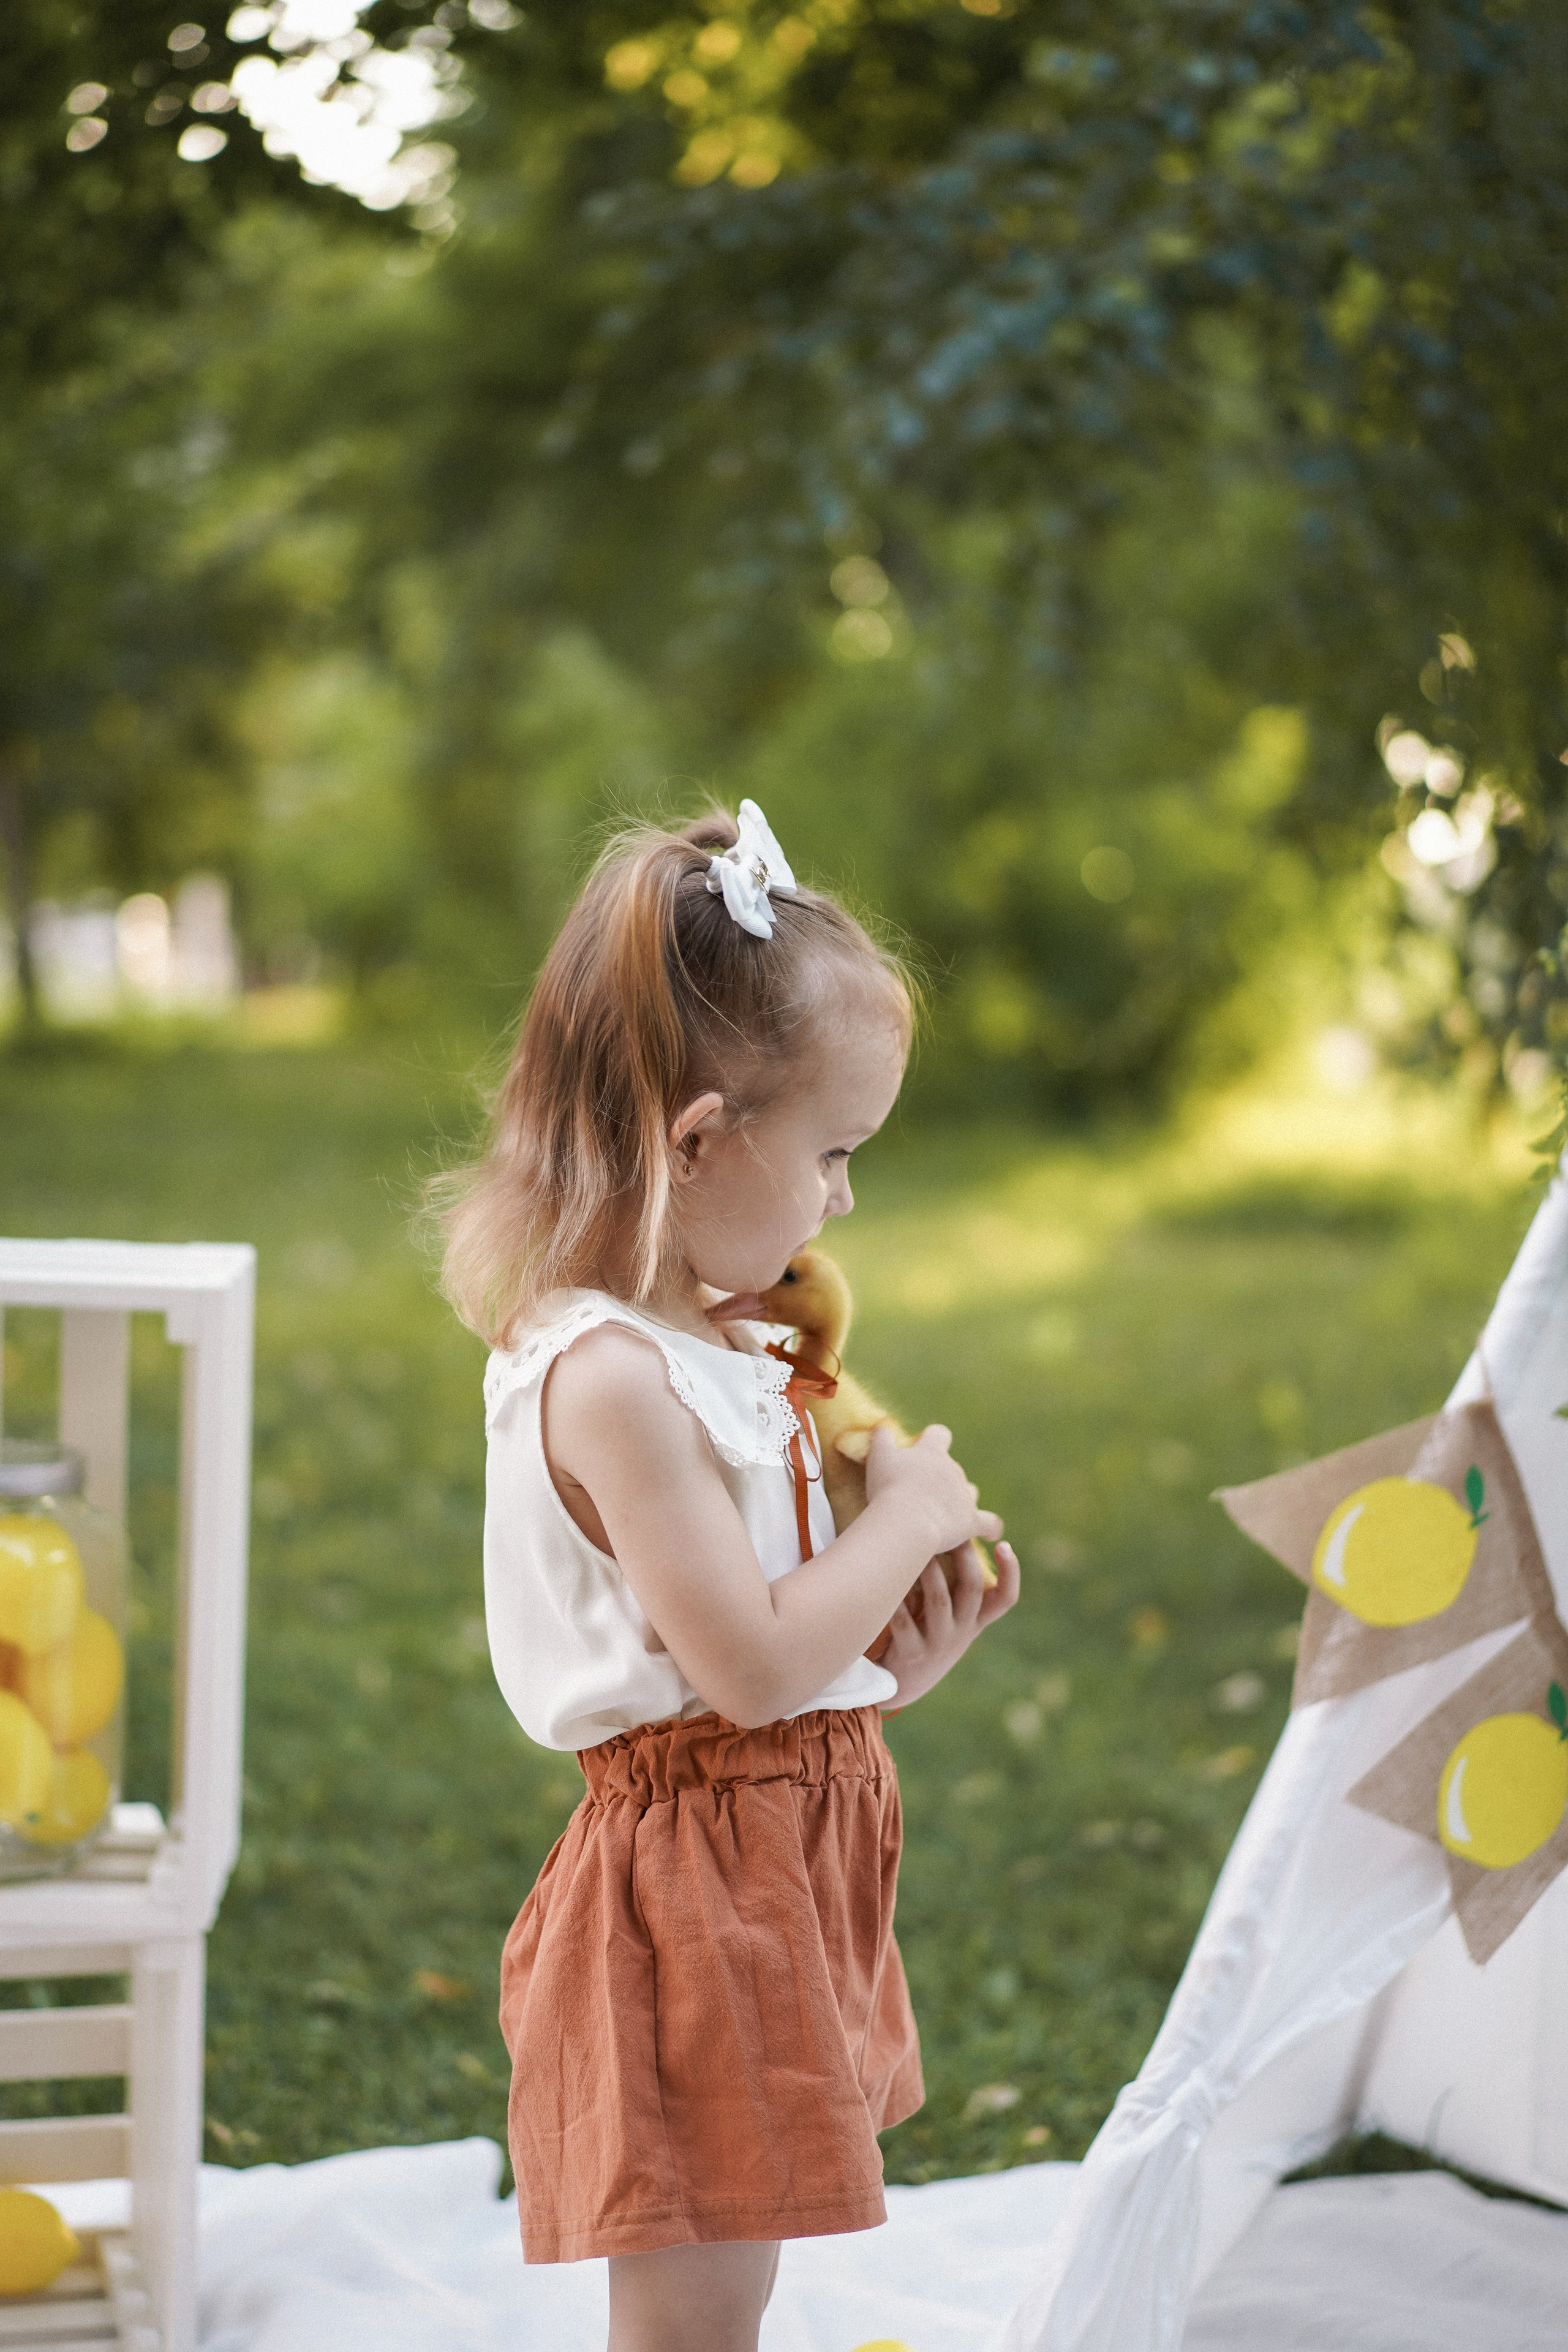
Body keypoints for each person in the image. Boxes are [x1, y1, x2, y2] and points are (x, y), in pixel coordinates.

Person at [436, 801, 1019, 2352]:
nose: (840, 1199)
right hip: (692, 1898)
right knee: (692, 2305)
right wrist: (907, 1516)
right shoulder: (610, 1377)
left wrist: (894, 1666)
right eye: (831, 1152)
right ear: (696, 1138)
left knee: (739, 2273)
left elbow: (767, 1667)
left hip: (774, 1857)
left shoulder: (717, 1343)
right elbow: (745, 1674)